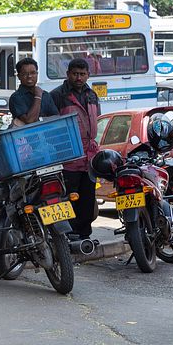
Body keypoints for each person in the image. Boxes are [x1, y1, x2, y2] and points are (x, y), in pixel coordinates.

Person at [50, 58, 101, 241]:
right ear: (68, 74)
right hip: (67, 156)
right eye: (75, 74)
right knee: (69, 197)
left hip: (89, 158)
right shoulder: (57, 95)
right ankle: (67, 235)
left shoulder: (92, 95)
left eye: (82, 74)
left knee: (87, 199)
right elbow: (50, 126)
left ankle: (84, 235)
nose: (79, 78)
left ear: (88, 75)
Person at [9, 58, 58, 125]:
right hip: (25, 135)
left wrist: (40, 119)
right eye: (25, 74)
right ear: (19, 76)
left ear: (37, 74)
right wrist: (38, 97)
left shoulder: (45, 95)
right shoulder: (16, 97)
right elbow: (30, 121)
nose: (29, 76)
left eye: (33, 73)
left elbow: (56, 118)